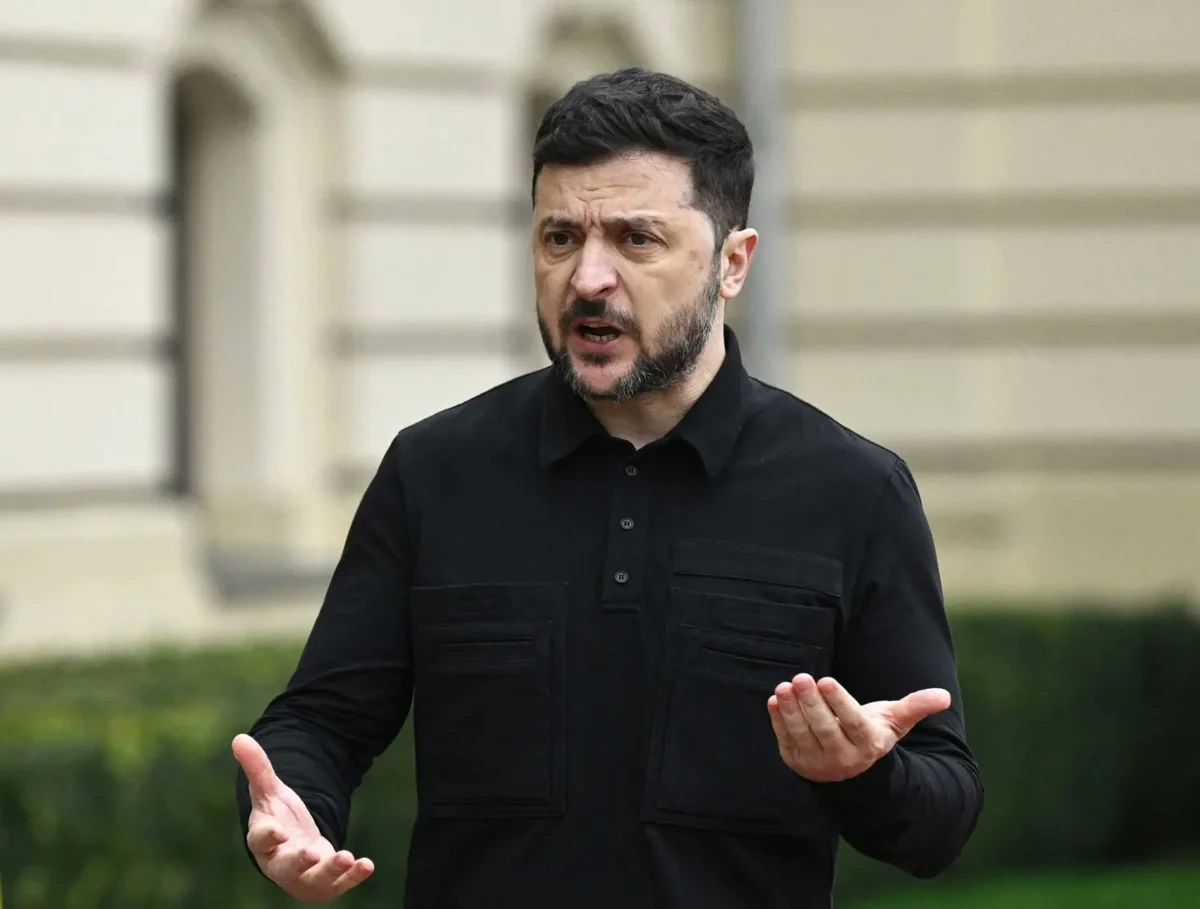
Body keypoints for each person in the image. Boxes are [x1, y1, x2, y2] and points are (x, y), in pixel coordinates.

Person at [233, 66, 984, 908]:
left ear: (733, 263)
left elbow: (942, 816)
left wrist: (865, 774)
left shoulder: (851, 490)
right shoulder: (435, 470)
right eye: (560, 238)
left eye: (636, 240)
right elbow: (322, 720)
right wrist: (293, 804)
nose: (588, 277)